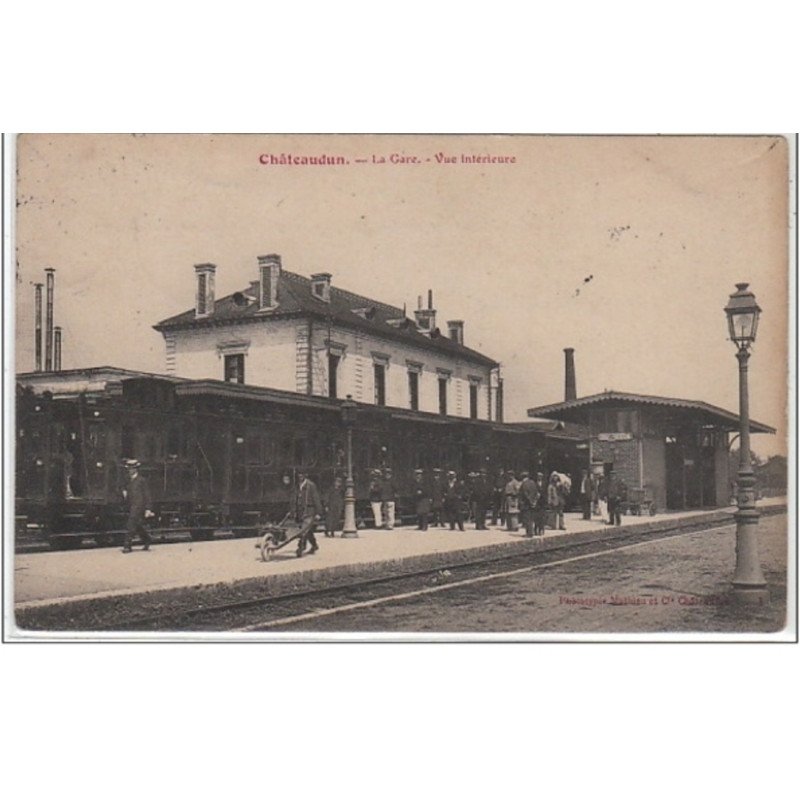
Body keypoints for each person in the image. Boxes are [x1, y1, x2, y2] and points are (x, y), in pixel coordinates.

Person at [122, 459, 153, 553]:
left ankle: (127, 545)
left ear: (136, 469)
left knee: (131, 524)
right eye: (129, 468)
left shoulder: (141, 480)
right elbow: (123, 488)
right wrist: (124, 492)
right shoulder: (127, 480)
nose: (130, 470)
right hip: (131, 505)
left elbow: (147, 495)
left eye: (132, 468)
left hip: (139, 505)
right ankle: (147, 539)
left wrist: (148, 508)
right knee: (137, 524)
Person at [295, 470, 323, 556]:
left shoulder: (311, 485)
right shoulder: (298, 485)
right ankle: (314, 545)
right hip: (301, 511)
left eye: (301, 475)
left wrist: (319, 512)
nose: (300, 476)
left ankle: (301, 548)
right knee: (308, 530)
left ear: (305, 475)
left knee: (304, 530)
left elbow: (316, 499)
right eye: (299, 475)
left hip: (309, 511)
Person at [518, 470, 539, 537]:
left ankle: (529, 533)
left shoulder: (524, 484)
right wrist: (534, 502)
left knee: (527, 519)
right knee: (531, 519)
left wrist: (530, 502)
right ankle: (531, 532)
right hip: (533, 503)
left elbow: (525, 494)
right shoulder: (533, 482)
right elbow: (536, 493)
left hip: (526, 504)